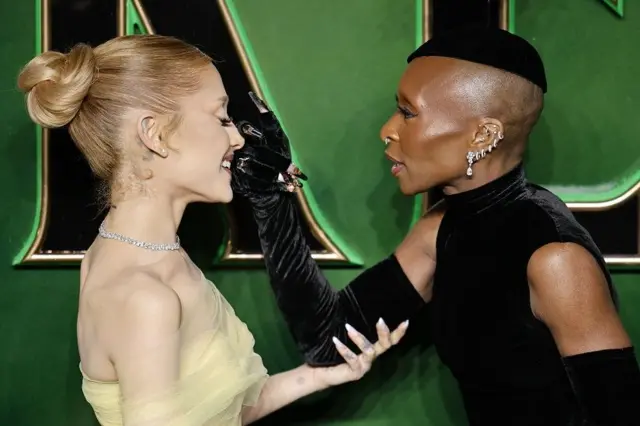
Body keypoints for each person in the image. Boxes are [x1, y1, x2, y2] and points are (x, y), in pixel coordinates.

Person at [231, 27, 640, 425]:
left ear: (483, 135)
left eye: (408, 112)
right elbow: (330, 342)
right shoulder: (440, 230)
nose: (387, 130)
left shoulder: (555, 258)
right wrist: (271, 202)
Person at [17, 34, 410, 426]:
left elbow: (216, 411)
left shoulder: (146, 254)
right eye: (221, 117)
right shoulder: (143, 297)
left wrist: (322, 374)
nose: (237, 137)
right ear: (154, 134)